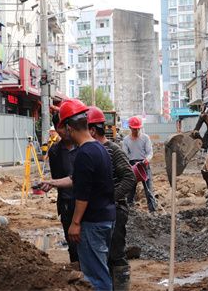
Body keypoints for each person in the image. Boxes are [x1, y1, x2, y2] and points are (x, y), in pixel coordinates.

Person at [58, 99, 116, 290]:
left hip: (92, 223)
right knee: (101, 270)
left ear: (68, 127)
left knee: (96, 278)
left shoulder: (84, 154)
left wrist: (75, 223)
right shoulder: (100, 148)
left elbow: (83, 194)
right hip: (106, 217)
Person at [87, 106, 136, 291]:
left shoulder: (113, 150)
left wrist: (110, 198)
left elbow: (129, 178)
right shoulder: (90, 151)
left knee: (116, 254)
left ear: (92, 130)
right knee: (102, 256)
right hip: (100, 212)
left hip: (115, 210)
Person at [46, 113, 78, 265]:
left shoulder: (84, 146)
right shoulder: (55, 152)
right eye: (60, 127)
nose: (63, 131)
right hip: (67, 203)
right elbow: (57, 179)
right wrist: (50, 184)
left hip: (87, 202)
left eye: (66, 126)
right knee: (73, 244)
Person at [123, 116, 157, 213]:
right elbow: (125, 154)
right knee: (130, 189)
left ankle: (152, 210)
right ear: (130, 128)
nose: (136, 130)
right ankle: (129, 209)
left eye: (138, 128)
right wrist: (129, 164)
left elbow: (150, 152)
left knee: (149, 190)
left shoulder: (145, 138)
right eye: (134, 129)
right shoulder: (126, 140)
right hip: (132, 166)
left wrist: (147, 159)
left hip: (144, 165)